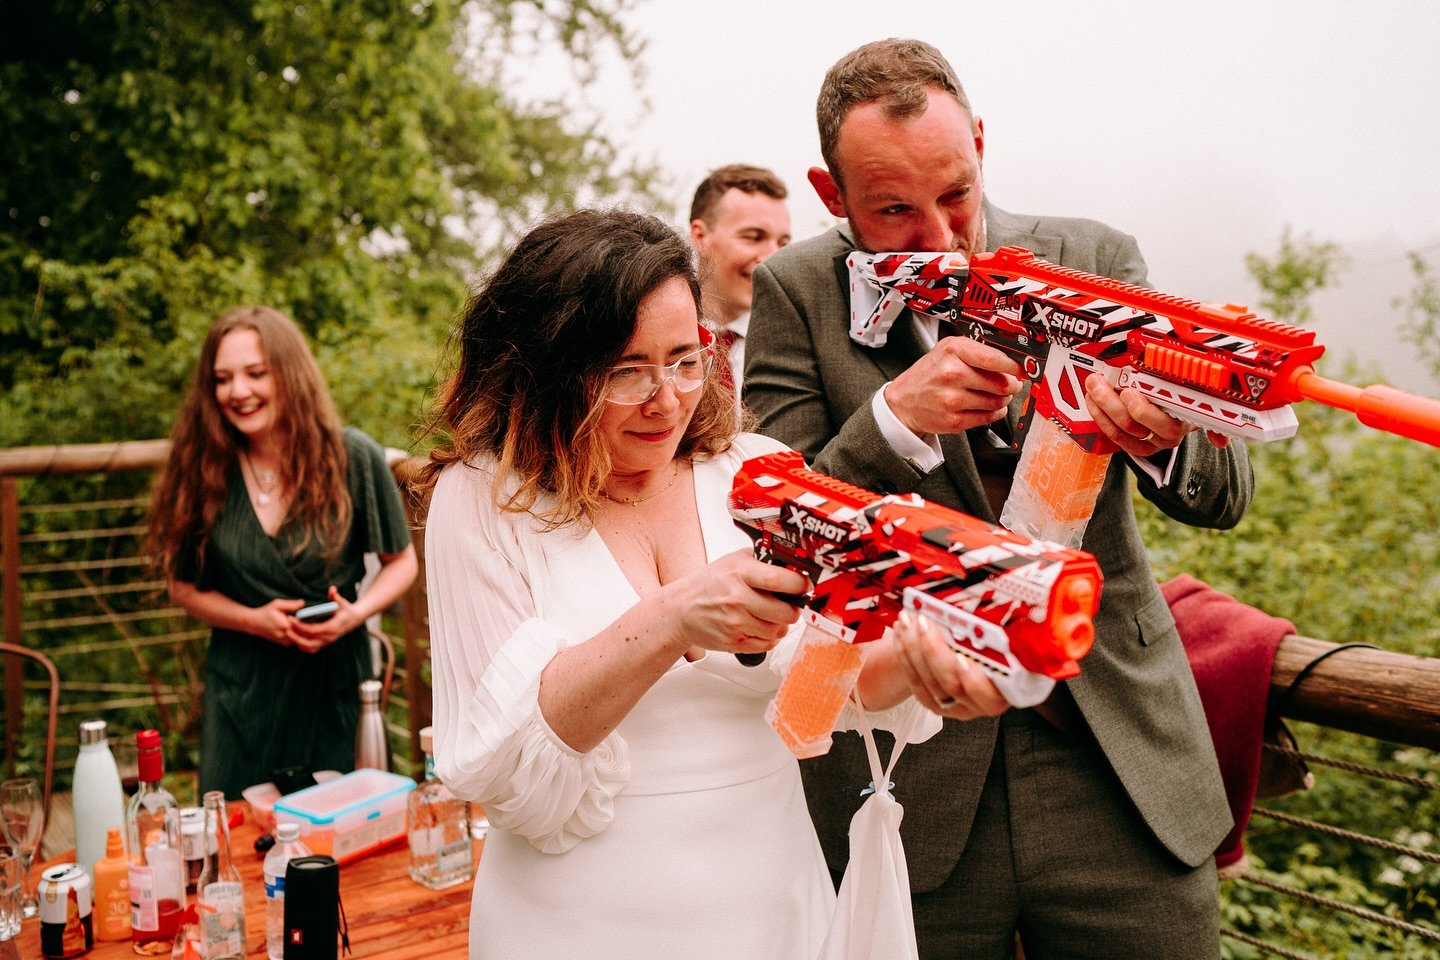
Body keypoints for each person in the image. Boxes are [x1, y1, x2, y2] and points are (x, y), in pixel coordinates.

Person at [744, 39, 1255, 959]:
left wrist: (1166, 438)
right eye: (894, 210)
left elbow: (1225, 497)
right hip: (911, 774)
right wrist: (892, 418)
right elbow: (775, 524)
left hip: (1113, 758)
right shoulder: (794, 290)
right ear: (831, 196)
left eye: (956, 194)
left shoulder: (1095, 256)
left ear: (979, 145)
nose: (938, 236)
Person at [421, 208, 952, 960]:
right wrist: (673, 618)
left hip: (770, 904)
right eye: (625, 371)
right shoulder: (482, 499)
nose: (665, 398)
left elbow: (817, 684)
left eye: (683, 358)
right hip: (575, 923)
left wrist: (920, 666)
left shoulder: (753, 470)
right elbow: (503, 768)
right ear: (544, 367)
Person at [146, 306, 417, 799]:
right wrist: (254, 620)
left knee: (346, 844)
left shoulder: (353, 456)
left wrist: (354, 615)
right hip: (242, 693)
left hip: (335, 686)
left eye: (255, 373)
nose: (238, 391)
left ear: (289, 373)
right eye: (223, 379)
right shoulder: (202, 467)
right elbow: (181, 586)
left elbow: (402, 563)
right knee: (238, 849)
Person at [688, 164, 791, 389]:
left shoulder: (793, 344)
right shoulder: (654, 337)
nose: (773, 258)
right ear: (700, 236)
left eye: (783, 243)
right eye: (754, 237)